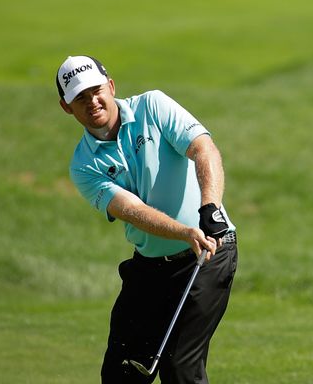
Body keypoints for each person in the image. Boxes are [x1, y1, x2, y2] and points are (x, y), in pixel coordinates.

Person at [56, 55, 237, 384]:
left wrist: (209, 207)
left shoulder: (152, 106)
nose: (92, 102)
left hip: (209, 253)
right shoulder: (84, 166)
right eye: (79, 98)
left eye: (96, 91)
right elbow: (131, 210)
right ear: (66, 108)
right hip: (152, 266)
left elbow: (203, 148)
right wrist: (184, 231)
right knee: (120, 370)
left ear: (111, 87)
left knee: (179, 366)